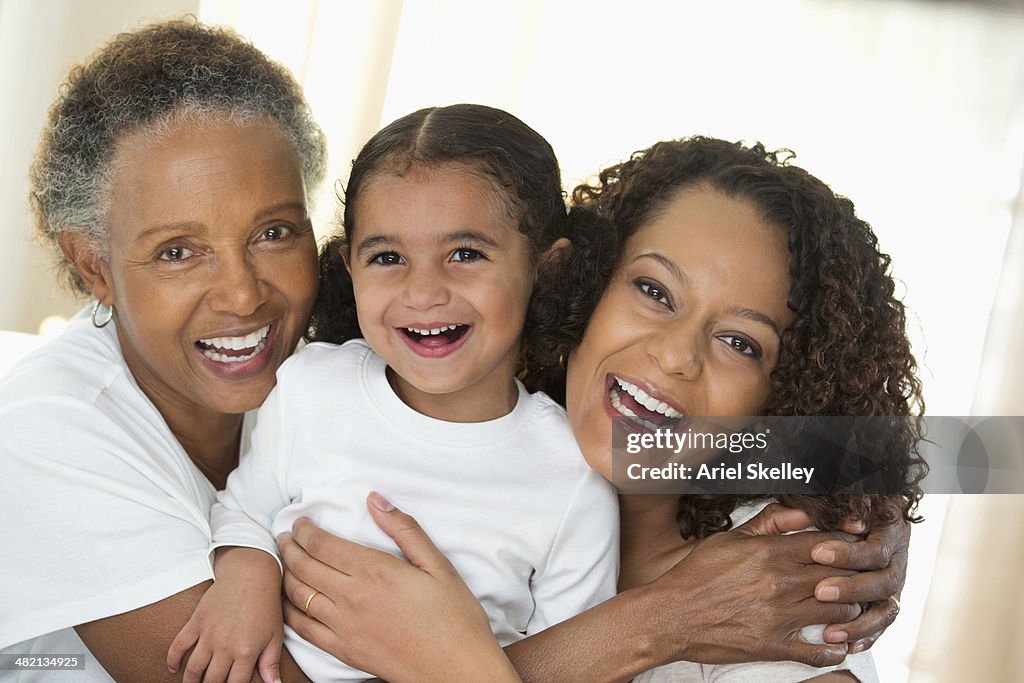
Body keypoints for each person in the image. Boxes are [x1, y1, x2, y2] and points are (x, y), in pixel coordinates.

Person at [0, 16, 910, 683]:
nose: (672, 355)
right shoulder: (334, 374)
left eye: (274, 231)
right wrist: (659, 621)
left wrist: (880, 499)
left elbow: (889, 443)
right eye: (652, 289)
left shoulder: (729, 550)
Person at [275, 138, 920, 682]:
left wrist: (456, 663)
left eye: (739, 343)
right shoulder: (397, 414)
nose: (675, 357)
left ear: (783, 400)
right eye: (653, 290)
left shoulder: (768, 605)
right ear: (576, 283)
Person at [166, 104, 619, 682]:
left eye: (465, 254)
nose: (423, 292)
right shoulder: (310, 387)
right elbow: (246, 511)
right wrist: (246, 577)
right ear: (349, 267)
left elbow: (579, 661)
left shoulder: (573, 480)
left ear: (544, 268)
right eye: (387, 257)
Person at [0, 19, 328, 682]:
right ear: (93, 266)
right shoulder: (43, 428)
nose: (242, 294)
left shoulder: (329, 377)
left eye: (273, 231)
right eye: (178, 252)